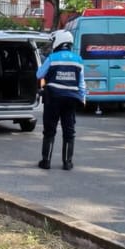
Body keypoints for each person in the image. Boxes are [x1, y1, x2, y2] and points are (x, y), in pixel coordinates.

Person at [36, 30, 85, 170]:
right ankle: (67, 162)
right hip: (71, 99)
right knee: (69, 131)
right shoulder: (78, 60)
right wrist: (83, 97)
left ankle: (46, 161)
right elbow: (81, 83)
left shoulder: (52, 58)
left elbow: (39, 74)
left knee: (49, 131)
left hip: (53, 99)